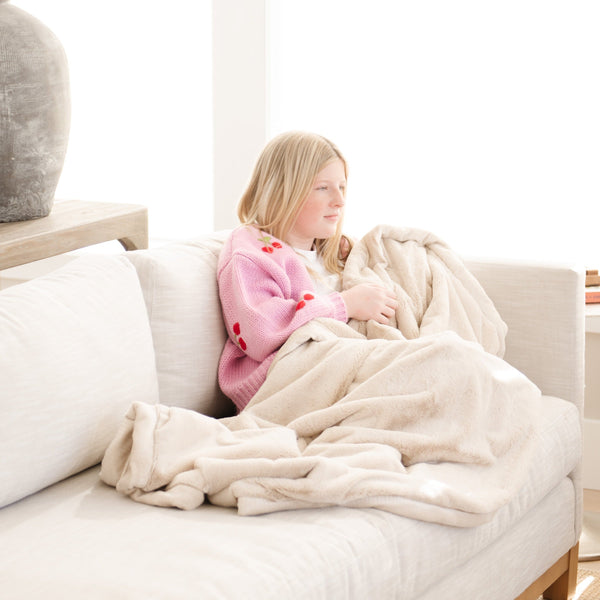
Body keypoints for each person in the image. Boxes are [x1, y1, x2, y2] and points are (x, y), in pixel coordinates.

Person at [217, 131, 398, 412]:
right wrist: (346, 304)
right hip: (285, 385)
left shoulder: (336, 252)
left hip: (351, 365)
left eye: (342, 187)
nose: (339, 200)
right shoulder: (249, 251)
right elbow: (260, 330)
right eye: (323, 188)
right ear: (283, 191)